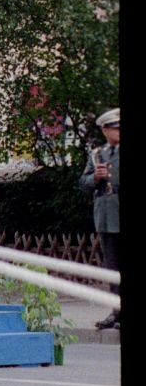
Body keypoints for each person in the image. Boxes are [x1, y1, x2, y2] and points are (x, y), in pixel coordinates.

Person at [81, 107, 120, 330]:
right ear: (105, 130)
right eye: (115, 128)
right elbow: (83, 183)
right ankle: (117, 311)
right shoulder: (97, 155)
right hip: (106, 215)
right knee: (113, 267)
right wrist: (95, 177)